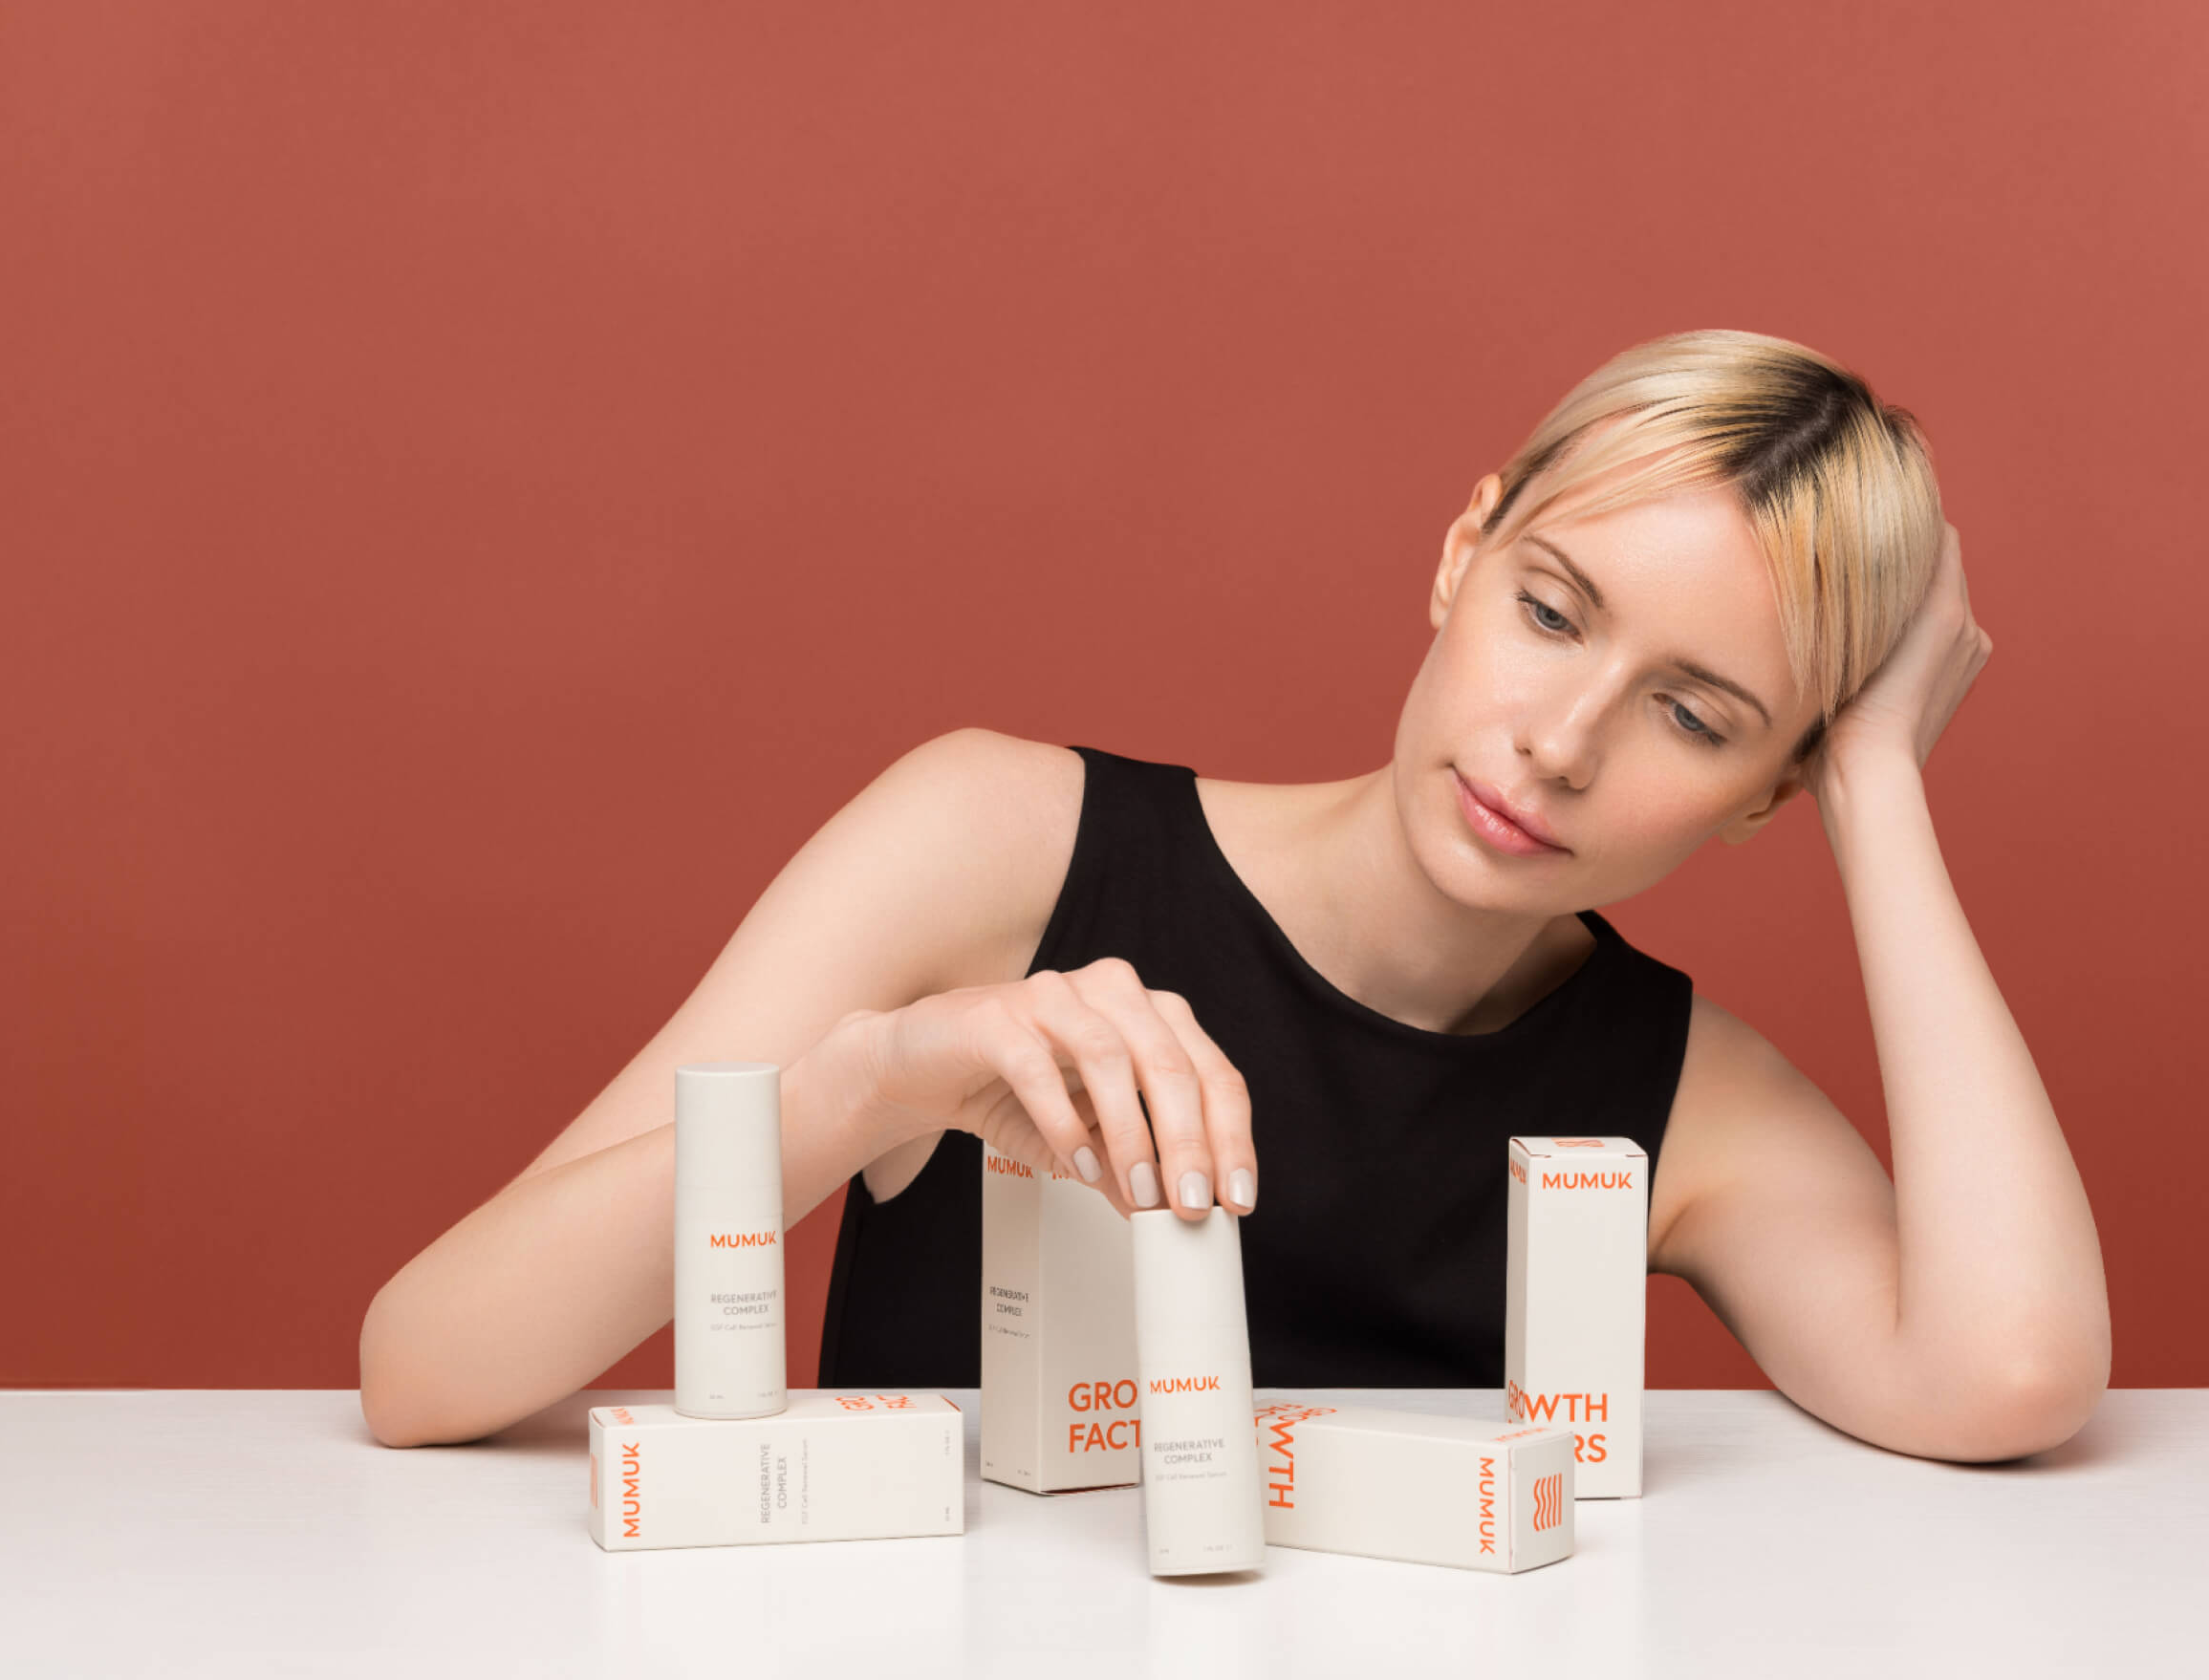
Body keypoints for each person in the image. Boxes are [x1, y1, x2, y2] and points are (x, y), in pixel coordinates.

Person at [360, 329, 2109, 1461]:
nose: (1561, 742)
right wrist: (869, 1084)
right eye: (1551, 611)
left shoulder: (1675, 1088)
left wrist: (1881, 784)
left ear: (1769, 791)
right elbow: (427, 1361)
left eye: (1696, 717)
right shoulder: (997, 841)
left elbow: (2008, 1372)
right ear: (1462, 552)